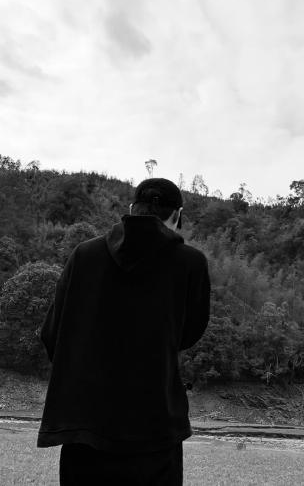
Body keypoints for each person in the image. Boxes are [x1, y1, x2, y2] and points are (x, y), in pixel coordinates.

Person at [37, 178, 211, 485]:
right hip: (156, 425)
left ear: (131, 209)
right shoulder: (191, 263)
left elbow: (52, 333)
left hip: (85, 427)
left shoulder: (84, 255)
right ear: (178, 215)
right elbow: (189, 334)